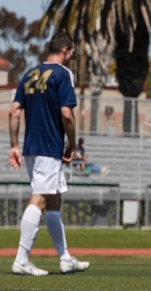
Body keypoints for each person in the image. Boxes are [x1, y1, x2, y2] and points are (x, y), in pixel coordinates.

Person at [7, 32, 90, 277]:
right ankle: (21, 259)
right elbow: (67, 114)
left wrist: (13, 145)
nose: (71, 58)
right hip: (49, 147)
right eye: (72, 54)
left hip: (32, 148)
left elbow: (13, 111)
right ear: (65, 50)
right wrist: (73, 144)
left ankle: (65, 258)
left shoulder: (29, 73)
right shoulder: (63, 74)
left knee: (54, 200)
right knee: (41, 198)